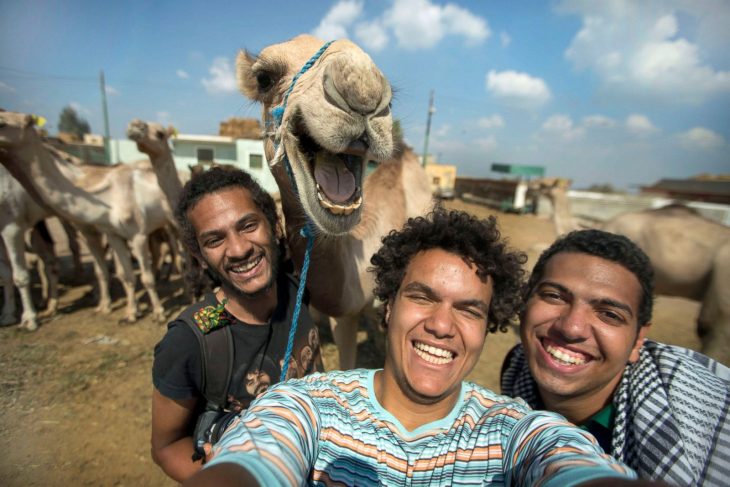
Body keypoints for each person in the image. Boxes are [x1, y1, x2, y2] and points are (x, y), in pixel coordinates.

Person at [183, 209, 645, 487]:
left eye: (469, 310)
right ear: (387, 308)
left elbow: (567, 463)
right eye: (422, 297)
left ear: (488, 328)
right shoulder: (306, 404)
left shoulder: (515, 432)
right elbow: (259, 455)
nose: (441, 325)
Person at [501, 229, 730, 486]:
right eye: (554, 296)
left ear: (638, 341)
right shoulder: (516, 372)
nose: (572, 328)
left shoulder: (701, 415)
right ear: (525, 303)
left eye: (609, 314)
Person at [151, 167, 323, 482]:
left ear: (274, 225)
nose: (239, 249)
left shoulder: (296, 291)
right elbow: (166, 446)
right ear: (199, 255)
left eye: (248, 225)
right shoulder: (191, 341)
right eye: (215, 239)